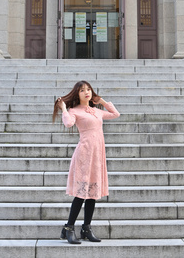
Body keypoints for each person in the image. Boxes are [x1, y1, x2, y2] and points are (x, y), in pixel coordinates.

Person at [52, 80, 120, 245]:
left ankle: (86, 228)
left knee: (92, 194)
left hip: (97, 156)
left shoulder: (97, 111)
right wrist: (63, 109)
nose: (86, 92)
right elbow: (68, 123)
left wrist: (102, 101)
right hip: (84, 155)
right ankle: (69, 228)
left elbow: (115, 114)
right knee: (81, 194)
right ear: (78, 94)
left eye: (88, 89)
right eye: (82, 90)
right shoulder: (74, 111)